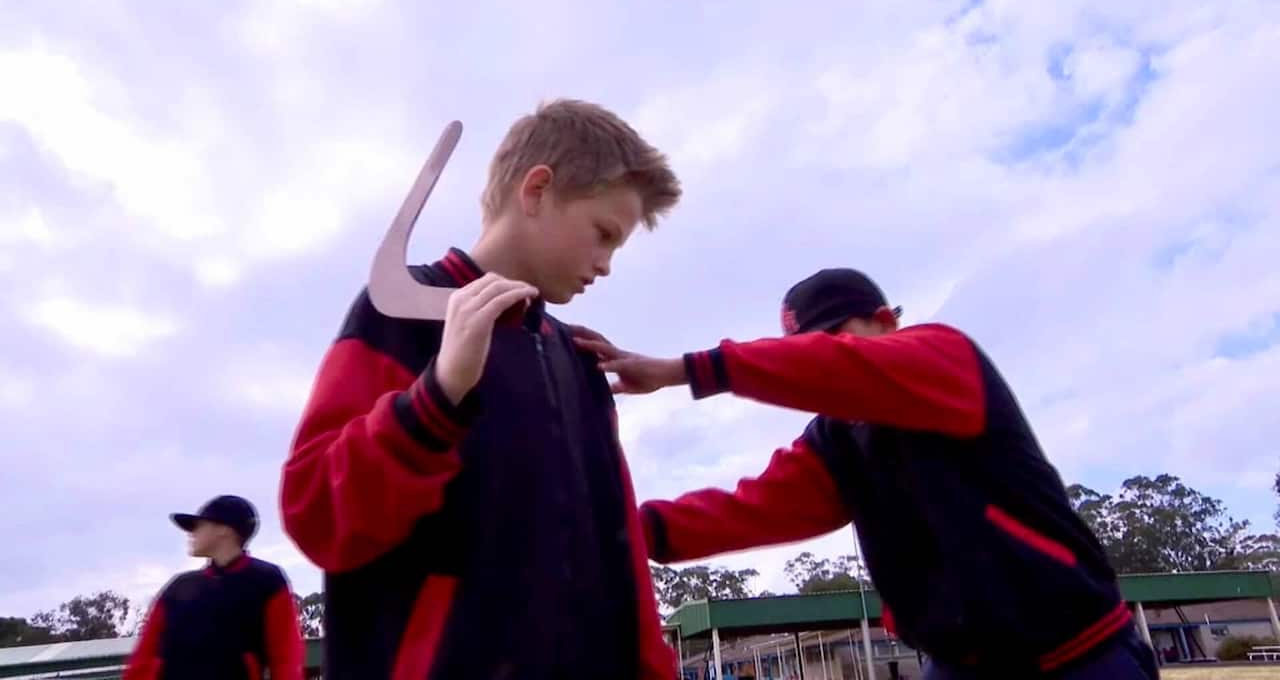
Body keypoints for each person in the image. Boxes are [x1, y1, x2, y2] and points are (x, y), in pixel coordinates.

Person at [574, 268, 1159, 679]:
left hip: (1081, 655)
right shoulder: (836, 439)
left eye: (833, 338)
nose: (821, 360)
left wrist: (684, 370)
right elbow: (748, 509)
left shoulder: (945, 358)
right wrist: (620, 527)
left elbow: (837, 369)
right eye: (802, 349)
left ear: (886, 323)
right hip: (961, 664)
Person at [280, 99, 682, 679]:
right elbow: (317, 514)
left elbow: (621, 560)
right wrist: (435, 401)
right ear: (537, 190)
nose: (606, 264)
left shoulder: (578, 361)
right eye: (603, 234)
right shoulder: (398, 311)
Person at [124, 494, 304, 680]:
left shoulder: (266, 580)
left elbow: (286, 658)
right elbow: (144, 657)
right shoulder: (178, 587)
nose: (191, 533)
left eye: (198, 525)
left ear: (224, 529)